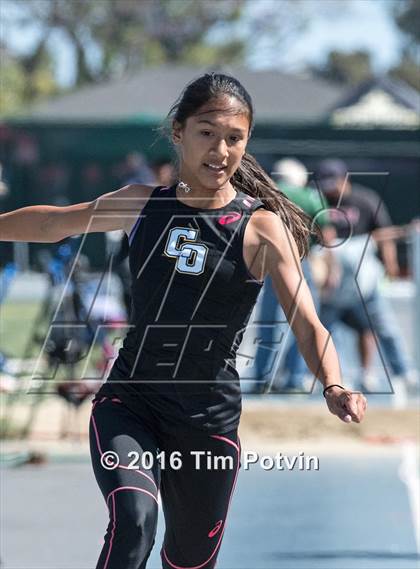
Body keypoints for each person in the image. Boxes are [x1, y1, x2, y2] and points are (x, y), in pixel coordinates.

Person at [0, 73, 366, 569]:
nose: (220, 150)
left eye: (234, 138)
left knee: (188, 561)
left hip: (207, 423)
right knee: (134, 523)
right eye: (207, 134)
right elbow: (53, 222)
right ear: (179, 133)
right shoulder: (141, 203)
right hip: (131, 401)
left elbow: (307, 323)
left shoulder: (261, 228)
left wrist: (334, 385)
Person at [315, 158, 416, 393]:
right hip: (333, 283)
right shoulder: (319, 201)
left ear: (344, 179)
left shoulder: (365, 199)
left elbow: (382, 233)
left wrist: (390, 264)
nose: (330, 188)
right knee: (318, 331)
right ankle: (328, 378)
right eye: (325, 183)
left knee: (380, 326)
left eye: (333, 182)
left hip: (363, 281)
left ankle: (401, 372)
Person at [253, 157, 329, 392]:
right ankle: (295, 378)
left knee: (268, 321)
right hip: (298, 259)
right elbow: (324, 225)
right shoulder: (309, 196)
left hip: (266, 260)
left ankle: (261, 377)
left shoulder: (264, 195)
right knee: (306, 320)